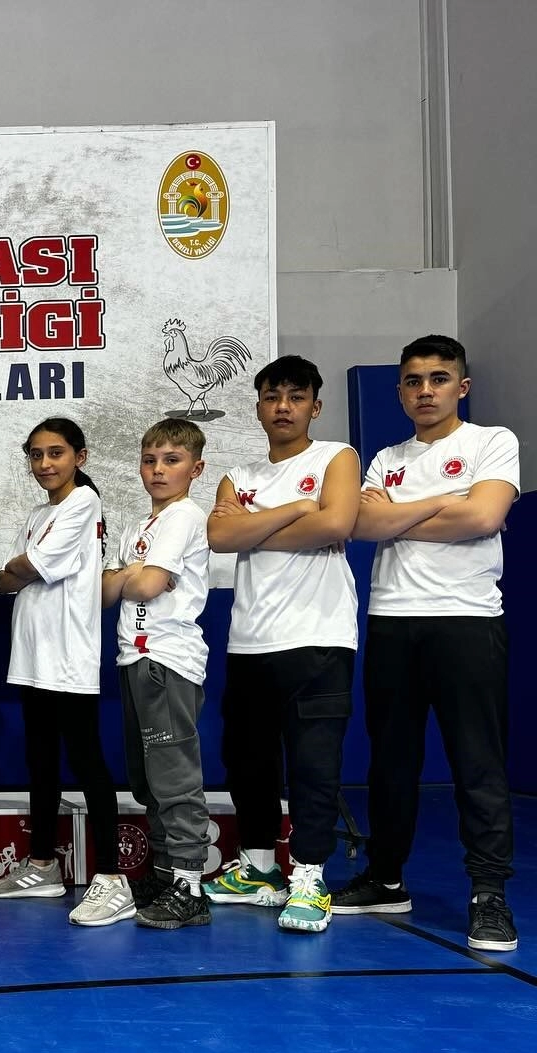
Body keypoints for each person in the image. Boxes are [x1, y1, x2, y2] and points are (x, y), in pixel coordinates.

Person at [334, 335, 521, 951]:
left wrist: (403, 512)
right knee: (391, 762)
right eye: (413, 381)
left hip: (467, 622)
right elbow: (364, 523)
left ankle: (489, 895)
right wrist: (446, 501)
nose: (425, 391)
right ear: (399, 392)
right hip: (393, 620)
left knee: (477, 762)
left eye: (438, 379)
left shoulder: (492, 442)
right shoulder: (386, 457)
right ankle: (386, 878)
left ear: (461, 387)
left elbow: (484, 517)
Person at [205, 355, 360, 933]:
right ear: (258, 408)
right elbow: (220, 535)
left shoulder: (336, 457)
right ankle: (260, 869)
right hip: (250, 641)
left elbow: (336, 525)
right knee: (249, 763)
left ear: (315, 406)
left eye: (296, 397)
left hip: (319, 637)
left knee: (314, 765)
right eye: (272, 397)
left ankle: (310, 878)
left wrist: (256, 525)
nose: (283, 407)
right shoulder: (237, 474)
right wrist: (297, 509)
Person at [0, 418, 124, 925]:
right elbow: (6, 580)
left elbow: (29, 567)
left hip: (69, 657)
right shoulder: (37, 512)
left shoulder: (85, 502)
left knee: (87, 763)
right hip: (32, 657)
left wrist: (17, 569)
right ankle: (43, 864)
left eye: (56, 453)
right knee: (40, 762)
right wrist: (16, 570)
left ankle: (111, 877)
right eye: (36, 455)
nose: (45, 463)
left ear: (79, 458)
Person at [100, 419, 213, 928]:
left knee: (174, 777)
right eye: (150, 460)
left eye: (172, 460)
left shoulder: (185, 516)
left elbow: (145, 587)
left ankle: (190, 886)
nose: (158, 470)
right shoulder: (138, 525)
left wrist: (131, 577)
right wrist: (133, 575)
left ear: (196, 468)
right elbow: (106, 592)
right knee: (147, 780)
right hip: (133, 658)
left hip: (168, 659)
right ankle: (167, 874)